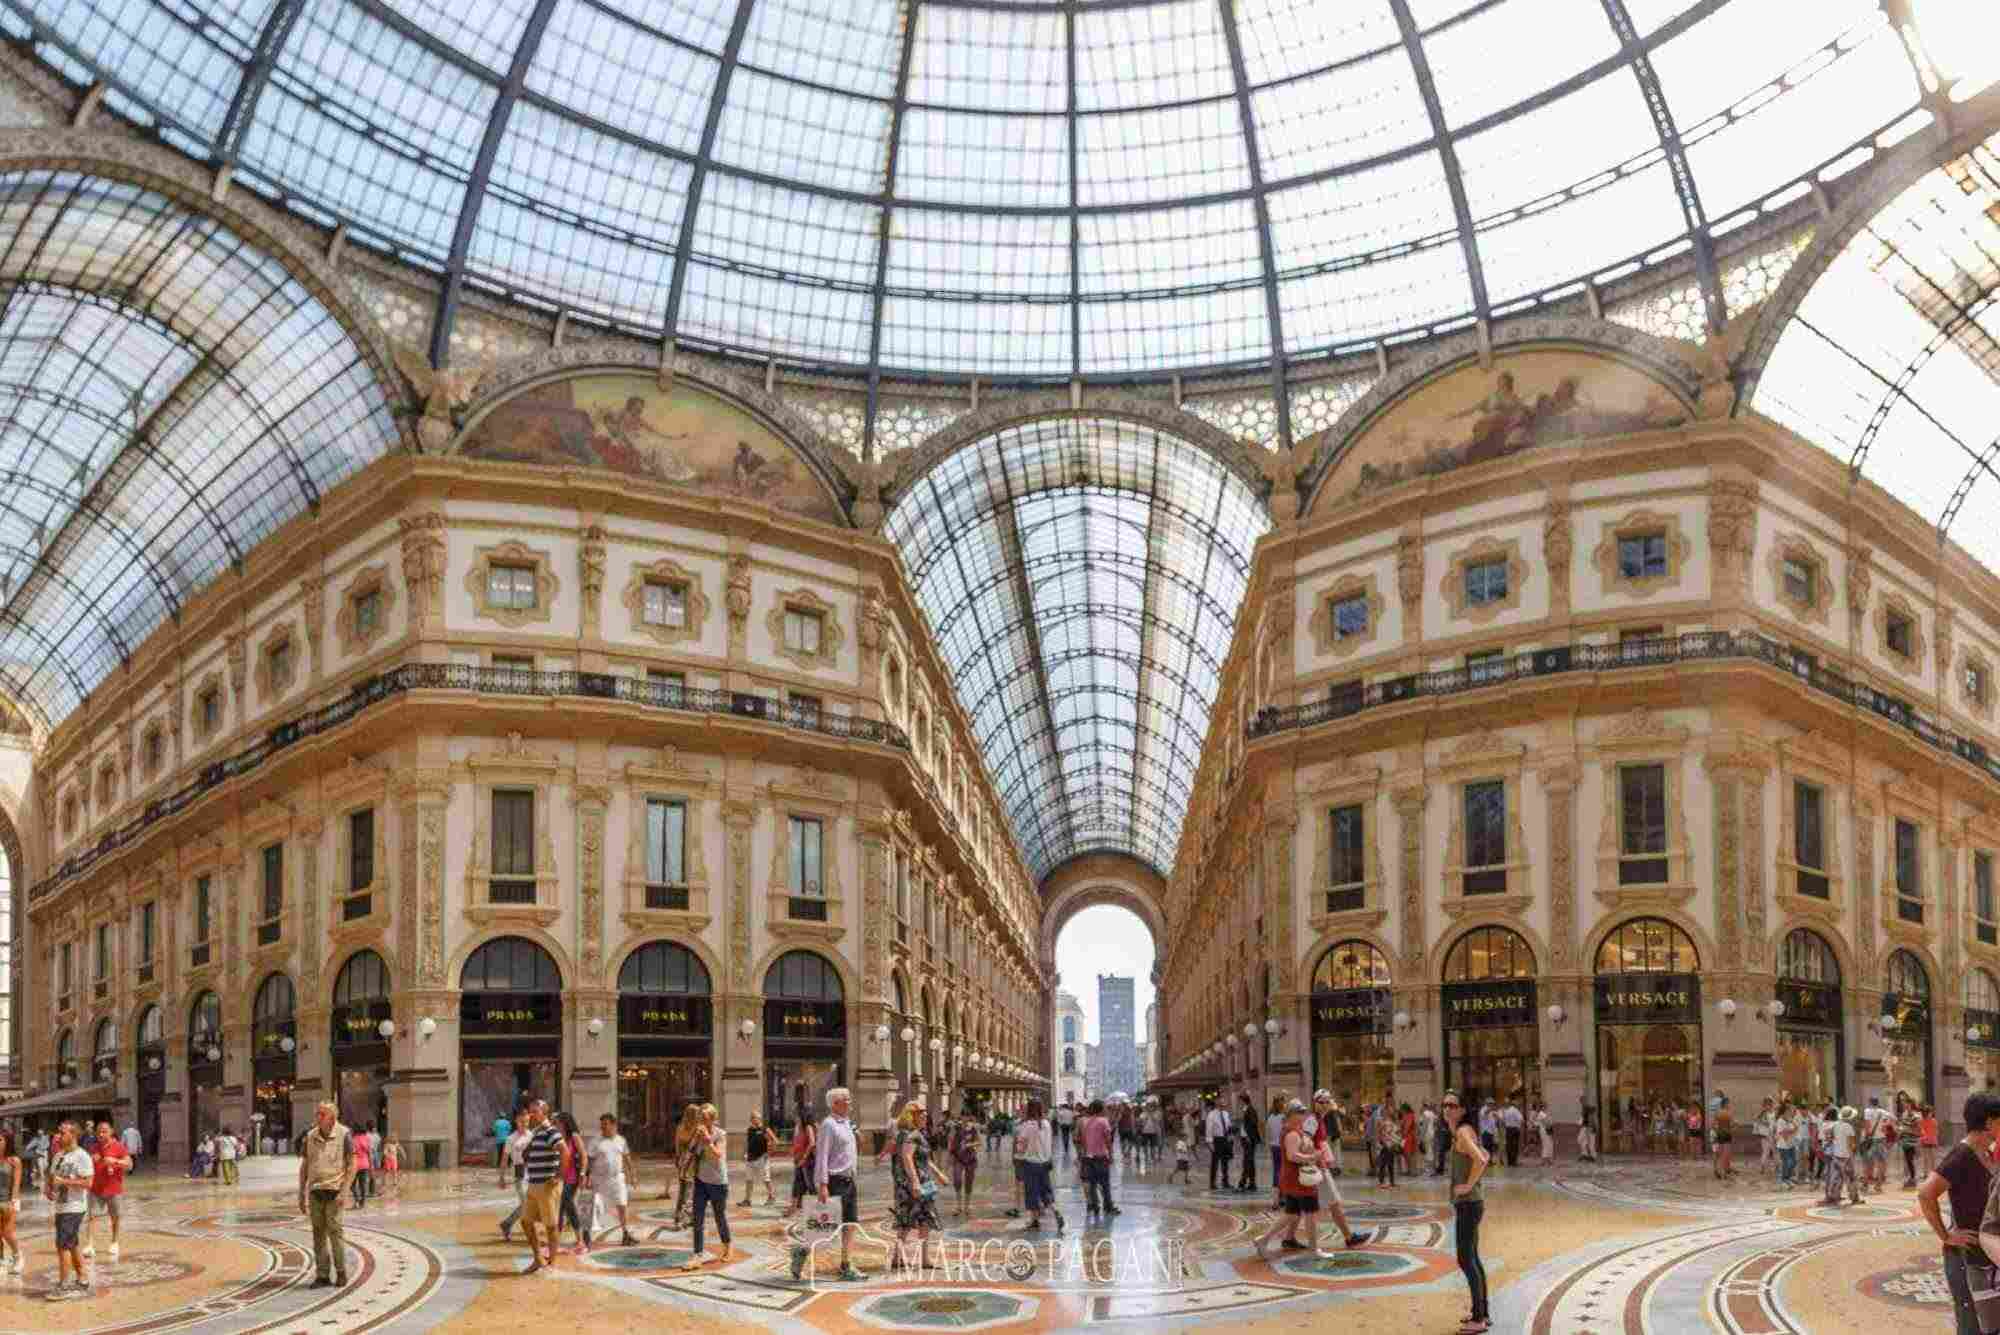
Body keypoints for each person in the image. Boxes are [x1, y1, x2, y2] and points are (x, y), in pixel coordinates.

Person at [1923, 1092, 2000, 1335]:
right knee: (1970, 1325)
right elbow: (1926, 1193)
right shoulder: (1961, 1155)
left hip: (1985, 1256)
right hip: (1966, 1258)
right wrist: (1946, 1235)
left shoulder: (1985, 1152)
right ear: (1989, 1123)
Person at [792, 1086, 862, 1283]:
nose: (850, 1102)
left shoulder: (847, 1123)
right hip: (834, 1181)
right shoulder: (828, 1125)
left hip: (849, 1181)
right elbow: (821, 1156)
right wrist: (822, 1184)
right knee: (823, 1228)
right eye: (846, 1099)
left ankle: (846, 1266)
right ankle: (801, 1251)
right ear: (835, 1104)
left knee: (850, 1224)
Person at [1443, 1093, 1493, 1333]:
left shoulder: (1463, 1132)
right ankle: (1482, 1313)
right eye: (1444, 1105)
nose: (1446, 1108)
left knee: (1465, 1259)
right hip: (1473, 1204)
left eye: (1452, 1105)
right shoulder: (1464, 1131)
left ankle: (1479, 1320)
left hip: (1469, 1204)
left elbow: (1481, 1160)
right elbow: (1487, 1154)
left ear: (1462, 1109)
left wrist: (1467, 1185)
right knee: (1473, 1257)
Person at [297, 1102, 355, 1289]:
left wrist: (345, 1190)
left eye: (322, 1114)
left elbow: (352, 1164)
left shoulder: (344, 1134)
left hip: (335, 1190)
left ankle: (341, 1272)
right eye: (317, 1113)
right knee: (318, 1234)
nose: (317, 1117)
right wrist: (301, 1191)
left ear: (332, 1117)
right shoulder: (310, 1136)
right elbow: (305, 1165)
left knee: (335, 1233)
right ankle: (322, 1274)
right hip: (315, 1191)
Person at [1304, 1091, 1370, 1253]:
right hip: (1318, 1168)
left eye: (1328, 1102)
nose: (1326, 1105)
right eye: (1322, 1102)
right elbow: (1306, 1141)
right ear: (1315, 1102)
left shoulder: (1319, 1118)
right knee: (1332, 1203)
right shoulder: (1313, 1120)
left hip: (1320, 1166)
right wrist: (1316, 1158)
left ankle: (1288, 1238)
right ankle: (1349, 1238)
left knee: (1298, 1208)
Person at [1255, 1100, 1319, 1260]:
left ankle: (1263, 1240)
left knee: (1292, 1214)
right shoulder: (1291, 1133)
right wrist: (1312, 1156)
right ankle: (1314, 1249)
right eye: (1300, 1112)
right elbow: (1292, 1155)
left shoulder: (1296, 1130)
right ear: (1292, 1115)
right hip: (1298, 1180)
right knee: (1310, 1213)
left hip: (1294, 1179)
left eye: (1304, 1112)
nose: (1304, 1115)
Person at [681, 1104, 733, 1269]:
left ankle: (727, 1246)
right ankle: (697, 1254)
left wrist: (707, 1140)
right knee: (697, 1219)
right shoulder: (698, 1134)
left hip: (718, 1182)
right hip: (701, 1181)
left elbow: (718, 1155)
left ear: (713, 1119)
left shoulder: (720, 1134)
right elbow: (691, 1152)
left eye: (704, 1118)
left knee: (719, 1216)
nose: (701, 1121)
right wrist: (684, 1169)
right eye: (700, 1118)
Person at [47, 1122, 94, 1302]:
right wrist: (48, 1187)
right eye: (58, 1133)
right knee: (71, 1243)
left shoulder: (82, 1156)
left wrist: (65, 1182)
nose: (58, 1136)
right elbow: (52, 1177)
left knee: (62, 1245)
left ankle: (64, 1285)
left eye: (62, 1133)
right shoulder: (59, 1155)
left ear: (73, 1135)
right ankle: (82, 1278)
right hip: (61, 1206)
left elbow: (88, 1183)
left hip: (74, 1207)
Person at [519, 1099, 562, 1274]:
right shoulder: (536, 1132)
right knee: (525, 1221)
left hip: (546, 1185)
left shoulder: (551, 1131)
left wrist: (559, 1175)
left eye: (535, 1111)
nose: (531, 1114)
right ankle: (538, 1258)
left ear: (544, 1112)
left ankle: (552, 1263)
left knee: (550, 1226)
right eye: (530, 1111)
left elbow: (564, 1151)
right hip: (533, 1183)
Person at [584, 1112, 635, 1249]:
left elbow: (627, 1157)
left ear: (613, 1125)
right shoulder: (595, 1141)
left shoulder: (621, 1140)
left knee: (622, 1205)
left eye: (606, 1124)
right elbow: (589, 1160)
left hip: (617, 1178)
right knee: (595, 1207)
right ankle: (587, 1235)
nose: (603, 1127)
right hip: (599, 1179)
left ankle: (625, 1233)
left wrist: (632, 1175)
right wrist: (586, 1177)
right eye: (602, 1125)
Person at [84, 1118, 129, 1260]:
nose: (101, 1134)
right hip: (96, 1188)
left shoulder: (119, 1146)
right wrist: (91, 1160)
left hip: (114, 1188)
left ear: (111, 1132)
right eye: (99, 1132)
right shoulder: (94, 1147)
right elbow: (87, 1166)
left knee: (115, 1216)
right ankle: (90, 1244)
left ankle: (115, 1242)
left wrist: (115, 1161)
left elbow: (129, 1164)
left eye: (104, 1132)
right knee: (91, 1217)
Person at [1016, 1099, 1061, 1233]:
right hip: (1045, 1163)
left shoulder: (1028, 1125)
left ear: (1029, 1110)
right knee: (1045, 1191)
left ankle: (1034, 1221)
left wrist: (1019, 1148)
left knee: (1032, 1193)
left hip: (1030, 1164)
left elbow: (1021, 1146)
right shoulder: (1046, 1124)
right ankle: (1056, 1211)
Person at [554, 1112, 585, 1254]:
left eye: (558, 1123)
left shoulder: (574, 1137)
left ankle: (580, 1241)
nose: (556, 1126)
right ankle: (556, 1242)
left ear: (565, 1124)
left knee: (568, 1205)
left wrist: (583, 1174)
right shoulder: (558, 1138)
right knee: (559, 1210)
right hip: (560, 1178)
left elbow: (584, 1156)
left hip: (572, 1178)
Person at [1081, 1099, 1118, 1218]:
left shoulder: (1086, 1122)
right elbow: (1108, 1140)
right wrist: (1111, 1155)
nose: (1106, 1110)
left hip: (1089, 1157)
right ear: (1101, 1109)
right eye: (1104, 1108)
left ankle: (1095, 1206)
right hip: (1101, 1157)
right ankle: (1108, 1207)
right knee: (1105, 1184)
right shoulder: (1103, 1121)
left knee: (1092, 1184)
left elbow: (1084, 1140)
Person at [498, 1117, 531, 1241]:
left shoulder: (532, 1135)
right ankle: (510, 1224)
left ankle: (507, 1224)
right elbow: (505, 1158)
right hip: (519, 1171)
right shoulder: (510, 1139)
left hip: (532, 1172)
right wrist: (502, 1177)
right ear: (516, 1122)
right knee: (526, 1203)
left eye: (527, 1121)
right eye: (522, 1121)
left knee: (529, 1203)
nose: (524, 1124)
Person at [783, 1108, 817, 1221]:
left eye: (797, 1116)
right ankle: (794, 1208)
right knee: (797, 1184)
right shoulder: (799, 1128)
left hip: (807, 1162)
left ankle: (817, 1211)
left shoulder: (808, 1127)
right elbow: (797, 1143)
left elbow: (812, 1143)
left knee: (810, 1185)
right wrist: (793, 1151)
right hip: (798, 1161)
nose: (795, 1118)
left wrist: (803, 1157)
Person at [1824, 1105, 1861, 1206]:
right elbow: (1852, 1144)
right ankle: (1854, 1197)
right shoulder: (1848, 1127)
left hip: (1836, 1154)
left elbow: (1829, 1138)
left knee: (1837, 1177)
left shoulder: (1835, 1125)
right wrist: (1853, 1154)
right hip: (1846, 1155)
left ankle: (1833, 1196)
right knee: (1851, 1177)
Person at [948, 1110, 979, 1218]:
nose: (965, 1118)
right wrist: (950, 1156)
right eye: (963, 1116)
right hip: (958, 1158)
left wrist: (969, 1144)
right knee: (957, 1180)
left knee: (969, 1182)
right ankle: (958, 1206)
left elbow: (978, 1142)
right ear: (961, 1117)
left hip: (970, 1159)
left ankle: (967, 1206)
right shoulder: (956, 1128)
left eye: (967, 1116)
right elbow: (951, 1141)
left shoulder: (973, 1128)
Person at [740, 1111, 773, 1209]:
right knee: (748, 1179)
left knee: (766, 1179)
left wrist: (769, 1152)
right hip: (750, 1158)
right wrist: (745, 1153)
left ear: (760, 1119)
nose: (754, 1119)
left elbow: (774, 1141)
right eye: (752, 1118)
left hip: (762, 1158)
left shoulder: (764, 1129)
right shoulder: (750, 1130)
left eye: (756, 1117)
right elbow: (748, 1142)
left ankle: (771, 1196)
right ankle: (747, 1200)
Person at [1860, 1096, 1892, 1194]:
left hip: (1871, 1140)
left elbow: (1867, 1125)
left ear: (1870, 1102)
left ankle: (1865, 1184)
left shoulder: (1867, 1111)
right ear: (1877, 1103)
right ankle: (1878, 1185)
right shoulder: (1884, 1112)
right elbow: (1891, 1121)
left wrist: (1866, 1136)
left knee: (1868, 1162)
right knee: (1881, 1163)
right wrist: (1884, 1129)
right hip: (1881, 1139)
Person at [0, 1128, 18, 1274]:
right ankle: (1, 1261)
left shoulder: (14, 1161)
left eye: (0, 1140)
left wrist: (13, 1203)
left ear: (7, 1142)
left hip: (8, 1201)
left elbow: (16, 1184)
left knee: (8, 1233)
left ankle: (17, 1256)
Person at [1205, 1099, 1232, 1192]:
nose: (1223, 1106)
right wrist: (1210, 1143)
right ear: (1217, 1104)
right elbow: (1209, 1129)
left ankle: (1225, 1181)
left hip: (1225, 1139)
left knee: (1225, 1161)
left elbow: (1228, 1125)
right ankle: (1212, 1183)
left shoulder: (1226, 1114)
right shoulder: (1211, 1115)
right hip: (1216, 1140)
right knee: (1215, 1162)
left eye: (1224, 1105)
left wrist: (1230, 1133)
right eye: (1222, 1104)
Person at [1237, 1094, 1262, 1191]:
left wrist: (1248, 1136)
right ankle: (1252, 1183)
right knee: (1249, 1161)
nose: (1238, 1103)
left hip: (1249, 1139)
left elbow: (1253, 1123)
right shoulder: (1246, 1109)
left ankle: (1242, 1183)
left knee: (1247, 1161)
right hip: (1246, 1139)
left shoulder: (1250, 1110)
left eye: (1240, 1101)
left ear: (1243, 1101)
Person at [1899, 1097, 1923, 1189]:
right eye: (1904, 1104)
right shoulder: (1904, 1114)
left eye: (1906, 1104)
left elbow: (1918, 1131)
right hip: (1905, 1140)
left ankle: (1913, 1178)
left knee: (1910, 1160)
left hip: (1912, 1141)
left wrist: (1906, 1129)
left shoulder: (1917, 1116)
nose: (1904, 1105)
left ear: (1911, 1105)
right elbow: (1903, 1125)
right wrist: (1900, 1130)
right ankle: (1910, 1178)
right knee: (1907, 1160)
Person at [1774, 1102, 1799, 1188]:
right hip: (1783, 1146)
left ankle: (1787, 1178)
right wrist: (1790, 1131)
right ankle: (1783, 1179)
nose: (1791, 1112)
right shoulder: (1780, 1121)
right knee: (1786, 1163)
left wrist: (1791, 1123)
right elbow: (1784, 1135)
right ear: (1785, 1111)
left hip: (1791, 1144)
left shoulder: (1789, 1120)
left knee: (1794, 1161)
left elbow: (1796, 1129)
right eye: (1789, 1111)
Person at [349, 1123, 372, 1208]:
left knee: (352, 1184)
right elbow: (369, 1152)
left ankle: (357, 1199)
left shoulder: (353, 1139)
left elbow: (350, 1153)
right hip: (365, 1164)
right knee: (363, 1185)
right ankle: (362, 1203)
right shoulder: (366, 1138)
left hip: (354, 1164)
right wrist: (371, 1164)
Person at [1713, 1097, 1735, 1180]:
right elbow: (1732, 1124)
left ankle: (1717, 1170)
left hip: (1719, 1134)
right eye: (1729, 1103)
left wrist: (1718, 1130)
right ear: (1725, 1104)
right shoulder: (1728, 1113)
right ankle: (1723, 1173)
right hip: (1727, 1135)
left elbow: (1713, 1125)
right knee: (1725, 1155)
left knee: (1719, 1154)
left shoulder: (1717, 1113)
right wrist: (1734, 1126)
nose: (1730, 1105)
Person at [1501, 1098, 1524, 1167]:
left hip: (1509, 1129)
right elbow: (1521, 1119)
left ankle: (1510, 1162)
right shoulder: (1514, 1110)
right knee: (1513, 1146)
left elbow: (1503, 1121)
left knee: (1510, 1145)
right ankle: (1513, 1162)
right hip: (1513, 1129)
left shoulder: (1508, 1110)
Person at [1921, 1103, 1940, 1180]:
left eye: (1932, 1112)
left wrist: (1936, 1142)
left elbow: (1936, 1132)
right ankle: (1925, 1173)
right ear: (1926, 1113)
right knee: (1925, 1158)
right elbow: (1921, 1131)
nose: (1932, 1114)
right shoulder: (1922, 1121)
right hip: (1925, 1142)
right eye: (1930, 1112)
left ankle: (1933, 1173)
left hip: (1932, 1142)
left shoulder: (1934, 1121)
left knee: (1933, 1159)